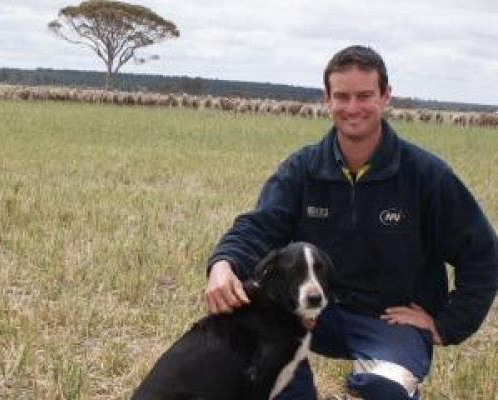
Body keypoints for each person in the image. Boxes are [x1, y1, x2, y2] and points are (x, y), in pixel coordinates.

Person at [204, 45, 498, 399]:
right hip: (311, 308)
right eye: (342, 96)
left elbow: (482, 254)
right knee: (244, 332)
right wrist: (223, 263)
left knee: (386, 389)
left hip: (389, 320)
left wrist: (447, 324)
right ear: (327, 98)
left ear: (386, 97)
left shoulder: (426, 176)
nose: (353, 108)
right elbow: (259, 227)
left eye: (365, 95)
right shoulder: (303, 169)